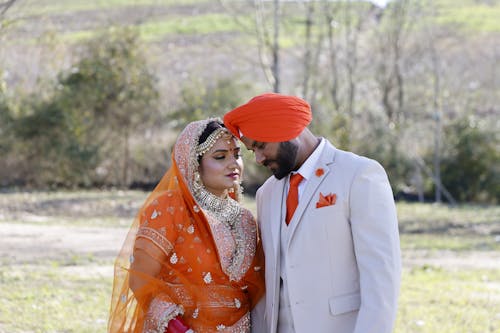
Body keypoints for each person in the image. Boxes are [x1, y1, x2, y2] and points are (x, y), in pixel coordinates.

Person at [223, 93, 401, 333]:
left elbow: (381, 278)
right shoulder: (267, 193)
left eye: (261, 146)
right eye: (252, 150)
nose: (258, 158)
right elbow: (270, 281)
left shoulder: (359, 174)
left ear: (287, 130)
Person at [108, 118, 265, 333]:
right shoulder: (170, 209)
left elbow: (255, 291)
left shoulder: (245, 220)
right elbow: (141, 281)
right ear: (194, 164)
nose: (233, 163)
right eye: (220, 157)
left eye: (237, 155)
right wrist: (178, 329)